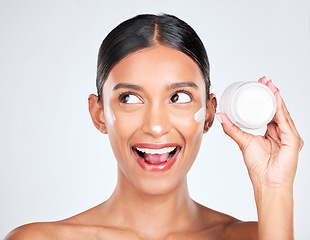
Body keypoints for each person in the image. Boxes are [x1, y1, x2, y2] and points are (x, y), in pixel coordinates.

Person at [5, 13, 303, 240]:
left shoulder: (258, 237)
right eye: (130, 98)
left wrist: (274, 188)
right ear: (99, 114)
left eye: (179, 97)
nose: (156, 126)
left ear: (210, 113)